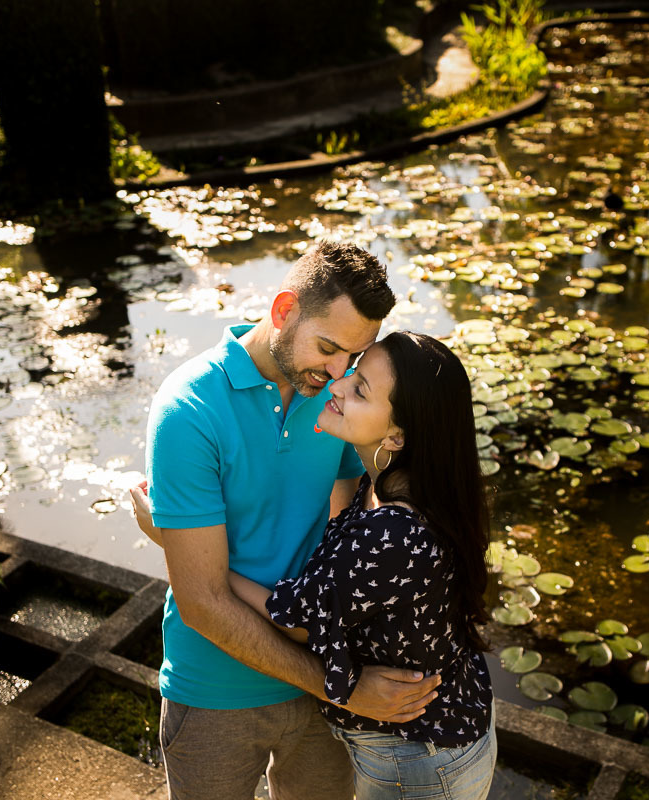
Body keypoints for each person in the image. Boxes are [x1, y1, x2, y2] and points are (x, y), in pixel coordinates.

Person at [134, 242, 442, 800]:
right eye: (327, 347)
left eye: (353, 356)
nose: (337, 371)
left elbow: (352, 522)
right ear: (283, 311)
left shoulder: (338, 399)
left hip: (321, 687)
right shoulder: (189, 411)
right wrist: (344, 688)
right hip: (215, 691)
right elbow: (202, 601)